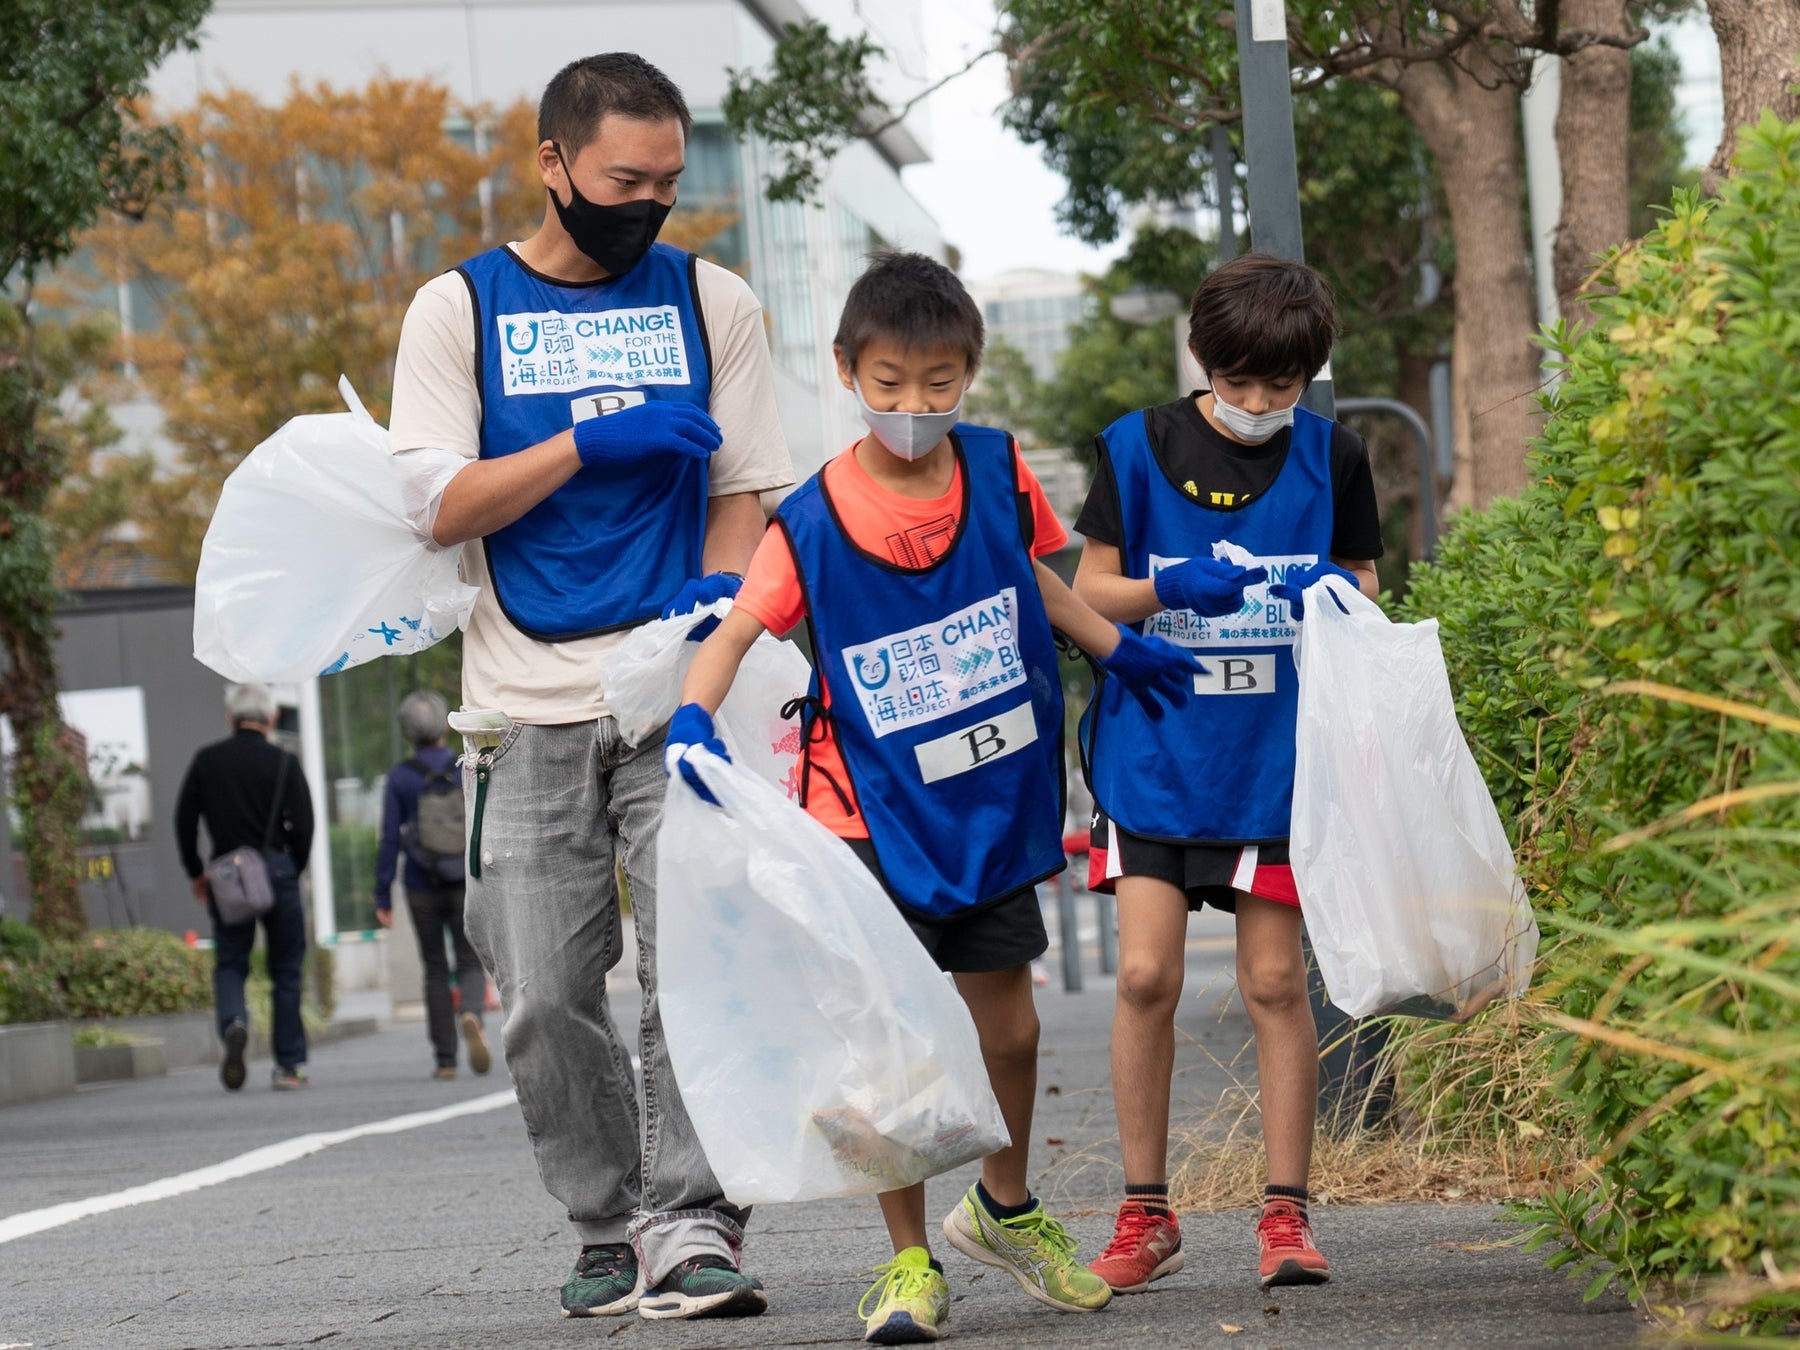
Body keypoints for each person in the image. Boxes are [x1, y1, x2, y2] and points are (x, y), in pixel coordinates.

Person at [670, 250, 1205, 1344]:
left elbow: (1038, 578)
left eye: (939, 382)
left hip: (991, 803)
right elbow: (737, 630)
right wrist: (689, 719)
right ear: (848, 371)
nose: (914, 405)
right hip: (867, 813)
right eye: (889, 382)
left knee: (1006, 1028)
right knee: (892, 1046)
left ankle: (1006, 1210)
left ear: (969, 372)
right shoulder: (812, 518)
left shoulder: (1001, 471)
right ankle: (908, 1261)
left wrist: (1116, 649)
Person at [386, 53, 793, 1321]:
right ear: (553, 165)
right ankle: (607, 1215)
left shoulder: (711, 300)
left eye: (669, 183)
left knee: (700, 967)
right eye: (625, 179)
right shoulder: (458, 310)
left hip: (677, 696)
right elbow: (437, 504)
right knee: (547, 992)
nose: (649, 204)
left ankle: (694, 1218)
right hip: (521, 702)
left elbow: (744, 491)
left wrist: (714, 615)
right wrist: (581, 441)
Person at [1072, 253, 1384, 1293]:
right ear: (1204, 358)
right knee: (1146, 976)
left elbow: (1365, 587)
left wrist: (1320, 590)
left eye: (1280, 388)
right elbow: (1085, 594)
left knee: (1274, 982)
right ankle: (1144, 1212)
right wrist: (1170, 584)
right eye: (1239, 382)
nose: (1256, 405)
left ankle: (1286, 1216)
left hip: (1274, 767)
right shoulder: (1135, 444)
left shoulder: (1334, 457)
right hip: (1155, 754)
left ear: (1309, 377)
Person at [175, 682, 314, 1092]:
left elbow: (184, 820)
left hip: (227, 877)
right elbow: (304, 825)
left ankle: (234, 1022)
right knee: (286, 971)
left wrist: (195, 871)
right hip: (278, 872)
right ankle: (289, 1067)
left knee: (232, 962)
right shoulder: (284, 763)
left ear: (229, 718)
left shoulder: (207, 761)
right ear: (271, 718)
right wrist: (292, 868)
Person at [374, 690, 490, 1081]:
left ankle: (444, 1059)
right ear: (445, 726)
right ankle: (471, 1011)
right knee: (469, 958)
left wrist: (382, 892)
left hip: (420, 882)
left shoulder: (400, 778)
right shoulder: (464, 768)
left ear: (407, 732)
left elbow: (389, 838)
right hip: (463, 877)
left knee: (435, 967)